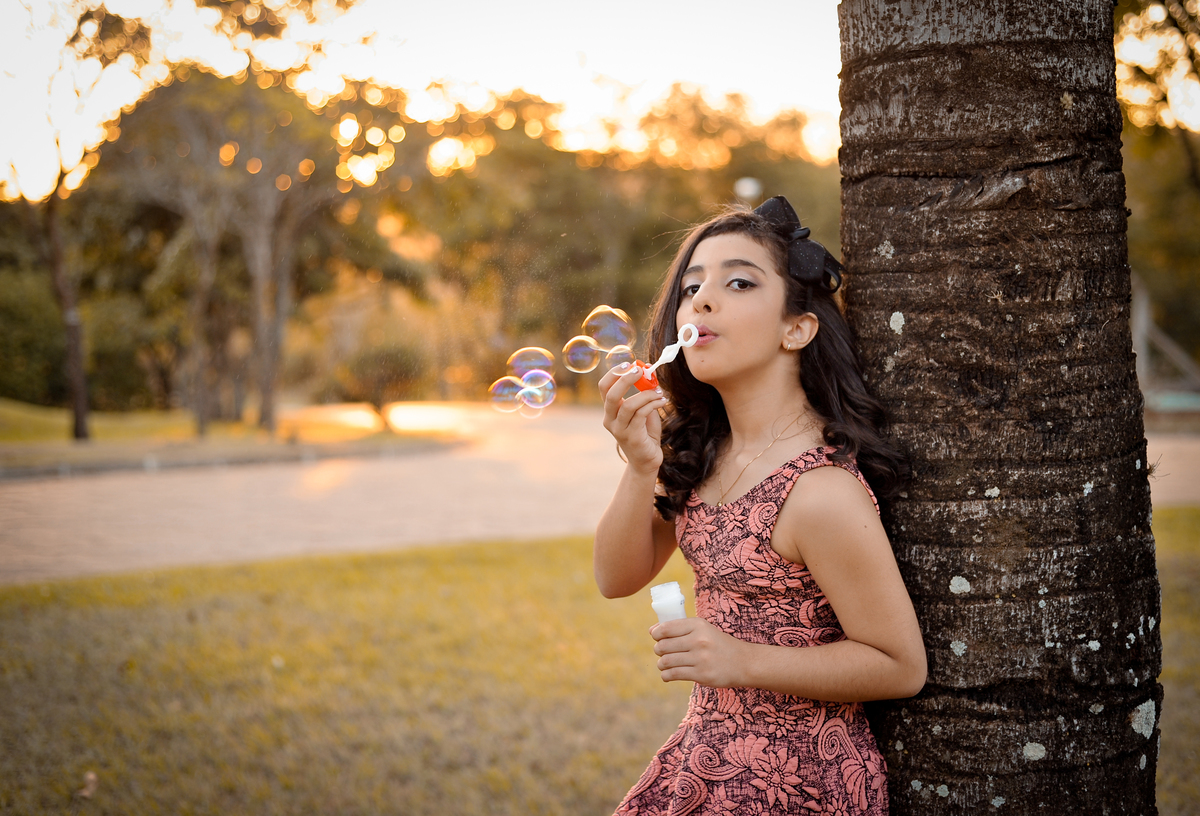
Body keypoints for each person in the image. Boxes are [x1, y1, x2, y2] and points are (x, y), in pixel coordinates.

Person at [594, 197, 926, 815]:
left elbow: (899, 665)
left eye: (739, 282)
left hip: (799, 780)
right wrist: (641, 467)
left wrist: (739, 659)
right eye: (691, 287)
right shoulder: (706, 454)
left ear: (796, 329)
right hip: (706, 759)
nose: (701, 301)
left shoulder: (819, 490)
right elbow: (616, 578)